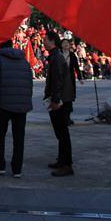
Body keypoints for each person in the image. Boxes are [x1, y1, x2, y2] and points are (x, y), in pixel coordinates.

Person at [0, 40, 33, 177]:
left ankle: (0, 164)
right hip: (22, 104)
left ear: (0, 46)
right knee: (19, 137)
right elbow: (29, 83)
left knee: (0, 135)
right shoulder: (24, 60)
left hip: (3, 104)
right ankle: (17, 168)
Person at [45, 31, 74, 177]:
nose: (44, 42)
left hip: (61, 101)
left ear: (52, 42)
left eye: (45, 40)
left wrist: (56, 100)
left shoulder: (56, 58)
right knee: (60, 132)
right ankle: (62, 160)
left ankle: (67, 164)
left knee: (62, 133)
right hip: (61, 99)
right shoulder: (55, 56)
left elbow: (58, 81)